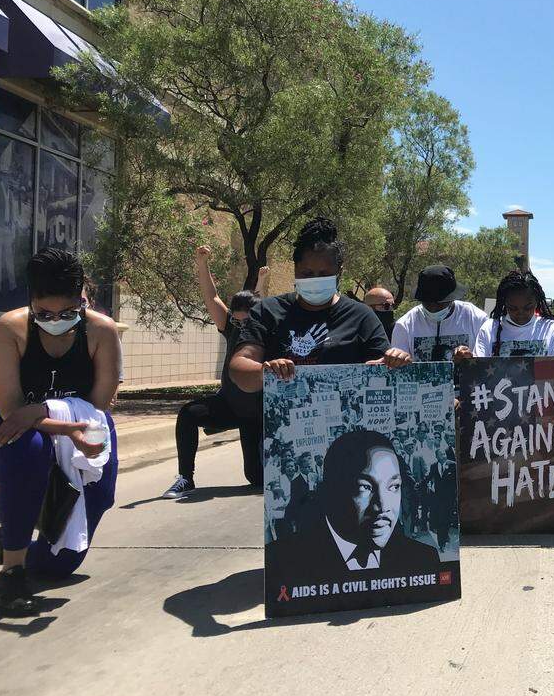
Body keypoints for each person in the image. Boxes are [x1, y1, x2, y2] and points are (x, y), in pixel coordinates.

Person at [0, 248, 121, 616]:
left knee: (61, 565)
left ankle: (9, 538)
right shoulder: (11, 328)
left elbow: (99, 407)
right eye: (44, 314)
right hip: (10, 438)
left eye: (67, 314)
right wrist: (60, 423)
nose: (56, 321)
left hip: (84, 434)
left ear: (81, 299)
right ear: (30, 302)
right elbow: (12, 412)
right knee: (30, 447)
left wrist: (46, 412)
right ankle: (11, 570)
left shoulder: (101, 332)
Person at [230, 217, 391, 392]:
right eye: (307, 273)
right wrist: (264, 371)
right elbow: (239, 367)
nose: (315, 279)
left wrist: (392, 362)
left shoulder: (361, 316)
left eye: (324, 273)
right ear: (295, 269)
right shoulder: (267, 311)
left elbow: (384, 369)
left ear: (339, 272)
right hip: (281, 417)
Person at [163, 246, 270, 498]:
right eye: (236, 319)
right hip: (230, 405)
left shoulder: (264, 332)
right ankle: (185, 478)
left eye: (247, 321)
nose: (241, 325)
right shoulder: (229, 327)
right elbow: (211, 297)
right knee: (188, 414)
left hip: (259, 413)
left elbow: (263, 304)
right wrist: (202, 263)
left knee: (256, 478)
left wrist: (263, 283)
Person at [268, 430, 440, 575]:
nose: (382, 505)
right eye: (365, 487)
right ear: (333, 490)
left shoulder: (424, 560)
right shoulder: (283, 563)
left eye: (393, 486)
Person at [473, 270, 554, 361]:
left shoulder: (550, 329)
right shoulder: (489, 329)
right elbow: (476, 370)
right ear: (504, 303)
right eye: (513, 308)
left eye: (528, 307)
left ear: (537, 303)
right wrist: (466, 360)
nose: (520, 313)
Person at [385, 265, 487, 365]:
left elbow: (487, 363)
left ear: (452, 298)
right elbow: (398, 369)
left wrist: (470, 359)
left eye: (440, 303)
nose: (433, 308)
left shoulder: (476, 318)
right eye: (427, 303)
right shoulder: (404, 325)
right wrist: (401, 360)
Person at [426, 444, 457, 551]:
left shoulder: (453, 465)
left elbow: (457, 481)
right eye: (441, 454)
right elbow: (429, 477)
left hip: (449, 499)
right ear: (437, 457)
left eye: (444, 454)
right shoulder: (434, 466)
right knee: (440, 520)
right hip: (438, 499)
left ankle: (445, 535)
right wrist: (419, 484)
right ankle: (441, 543)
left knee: (447, 519)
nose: (444, 456)